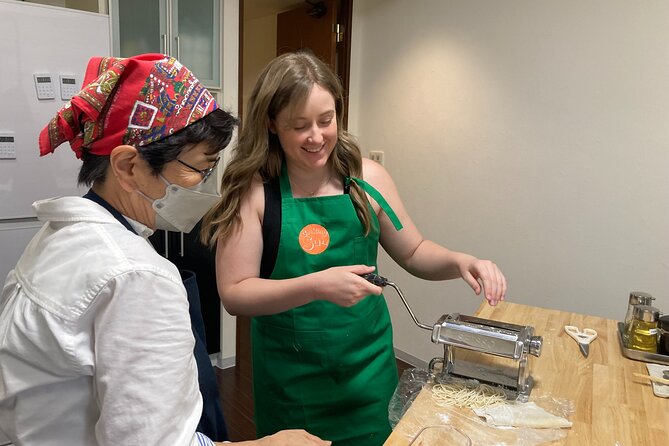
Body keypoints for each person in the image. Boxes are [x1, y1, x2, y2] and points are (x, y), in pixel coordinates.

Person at [0, 53, 329, 446]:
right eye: (199, 168)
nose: (207, 185)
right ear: (127, 166)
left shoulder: (58, 240)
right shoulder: (135, 277)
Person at [200, 51, 508, 446]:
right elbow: (236, 293)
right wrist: (316, 285)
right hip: (293, 380)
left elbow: (414, 251)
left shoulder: (369, 178)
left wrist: (461, 261)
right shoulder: (255, 193)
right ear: (272, 124)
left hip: (368, 372)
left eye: (326, 121)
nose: (317, 137)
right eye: (300, 126)